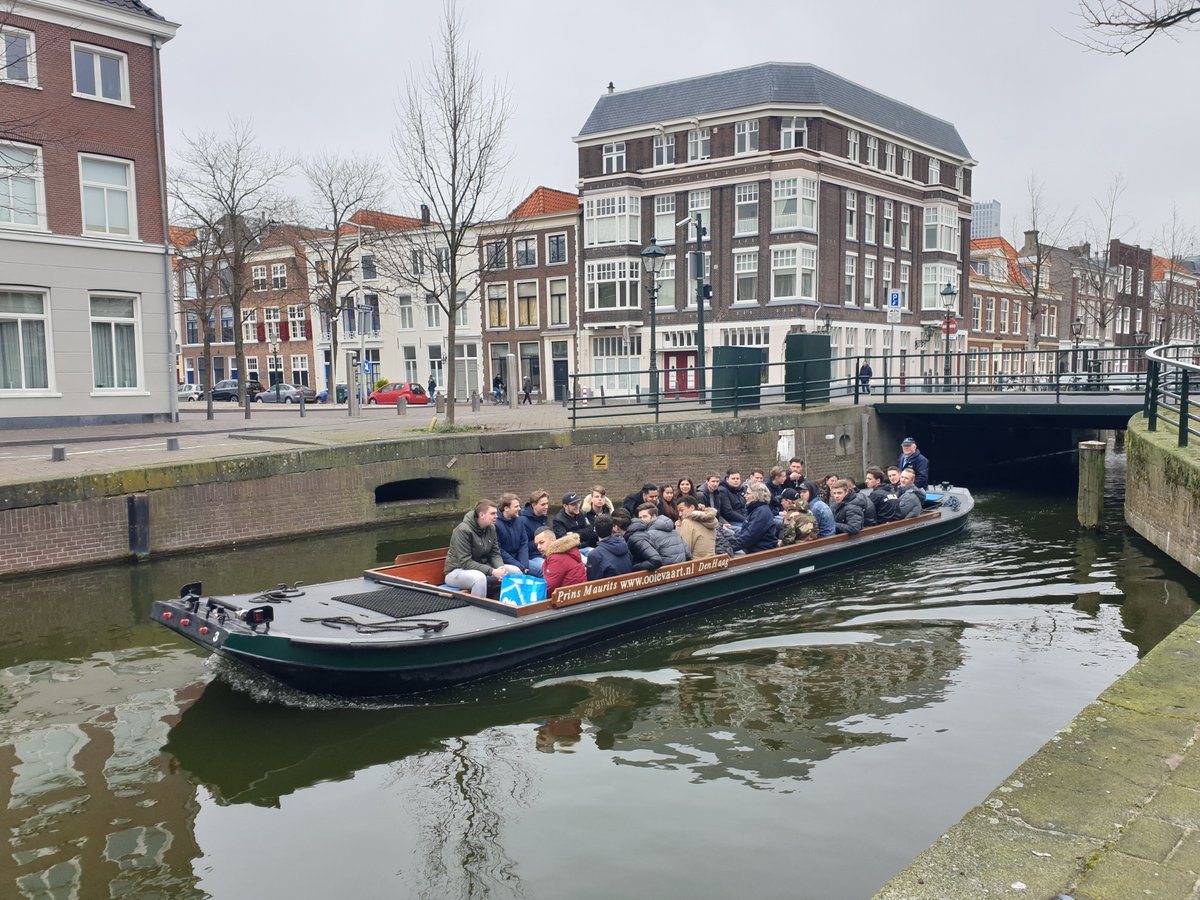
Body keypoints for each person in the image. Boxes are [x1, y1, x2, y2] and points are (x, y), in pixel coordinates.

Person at [444, 499, 522, 597]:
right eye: (493, 513)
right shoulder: (462, 531)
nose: (496, 516)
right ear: (482, 515)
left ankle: (513, 603)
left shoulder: (491, 528)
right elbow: (465, 562)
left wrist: (500, 568)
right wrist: (492, 571)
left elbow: (495, 553)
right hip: (456, 571)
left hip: (481, 567)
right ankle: (477, 610)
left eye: (496, 513)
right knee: (479, 578)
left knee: (515, 571)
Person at [533, 526, 587, 593]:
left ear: (552, 541)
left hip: (568, 599)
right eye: (536, 544)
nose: (538, 547)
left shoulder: (555, 558)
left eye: (541, 543)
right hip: (578, 594)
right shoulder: (568, 550)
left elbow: (548, 588)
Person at [733, 481, 778, 554]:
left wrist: (729, 548)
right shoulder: (756, 510)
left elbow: (750, 536)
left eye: (748, 493)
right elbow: (745, 532)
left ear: (757, 495)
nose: (744, 496)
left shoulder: (761, 512)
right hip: (753, 548)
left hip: (760, 552)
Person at [586, 514, 633, 580]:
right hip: (629, 586)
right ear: (612, 529)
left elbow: (592, 581)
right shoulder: (624, 544)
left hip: (610, 589)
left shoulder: (594, 554)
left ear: (595, 529)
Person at [495, 492, 530, 573]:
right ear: (506, 508)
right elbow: (499, 550)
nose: (519, 509)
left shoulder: (519, 521)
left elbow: (523, 543)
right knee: (517, 571)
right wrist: (519, 566)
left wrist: (524, 565)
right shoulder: (496, 524)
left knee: (540, 569)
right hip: (505, 562)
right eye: (516, 506)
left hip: (521, 561)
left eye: (519, 506)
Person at [520, 490, 550, 575]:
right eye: (543, 504)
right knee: (547, 570)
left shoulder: (543, 517)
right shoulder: (523, 521)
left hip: (546, 553)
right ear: (534, 505)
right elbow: (523, 546)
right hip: (532, 556)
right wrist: (540, 542)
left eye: (547, 503)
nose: (546, 507)